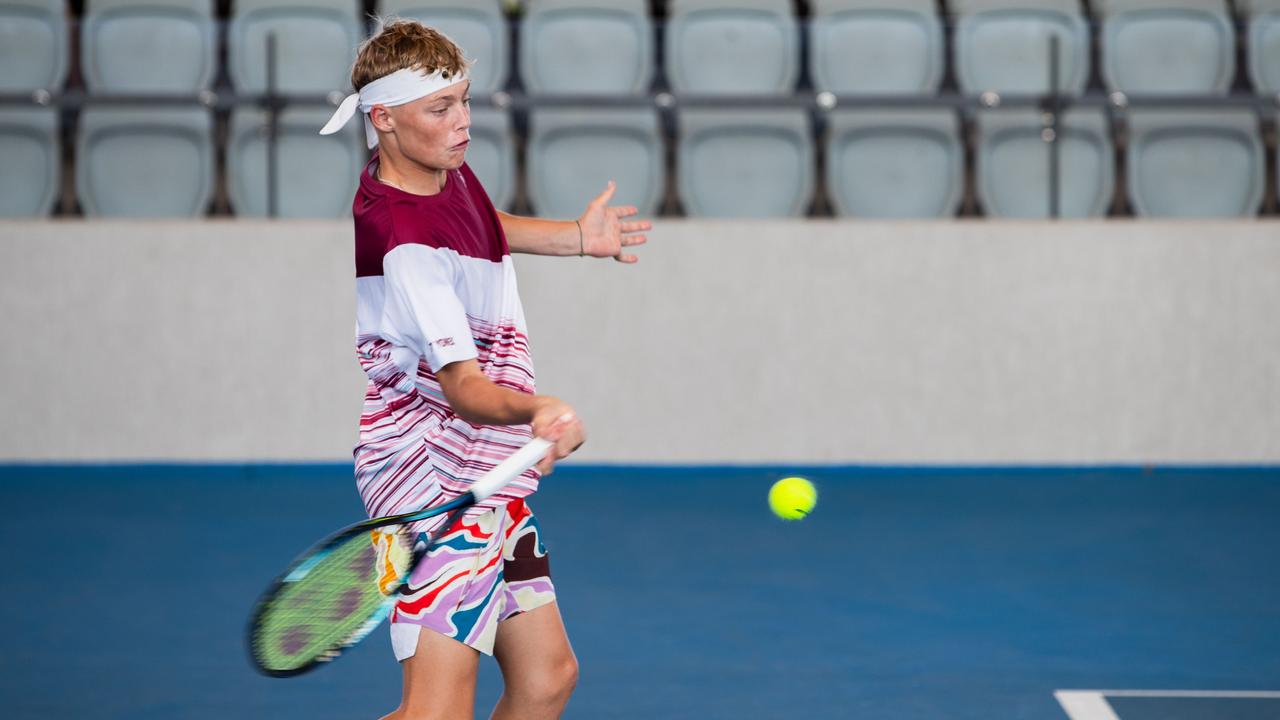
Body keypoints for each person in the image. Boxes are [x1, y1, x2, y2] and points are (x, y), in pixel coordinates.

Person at [319, 18, 651, 720]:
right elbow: (464, 387)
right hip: (431, 475)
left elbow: (478, 223)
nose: (463, 122)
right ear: (383, 117)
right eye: (441, 109)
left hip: (485, 465)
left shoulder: (437, 173)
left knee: (546, 679)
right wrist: (537, 409)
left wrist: (575, 240)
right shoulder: (402, 244)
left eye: (465, 101)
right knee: (435, 712)